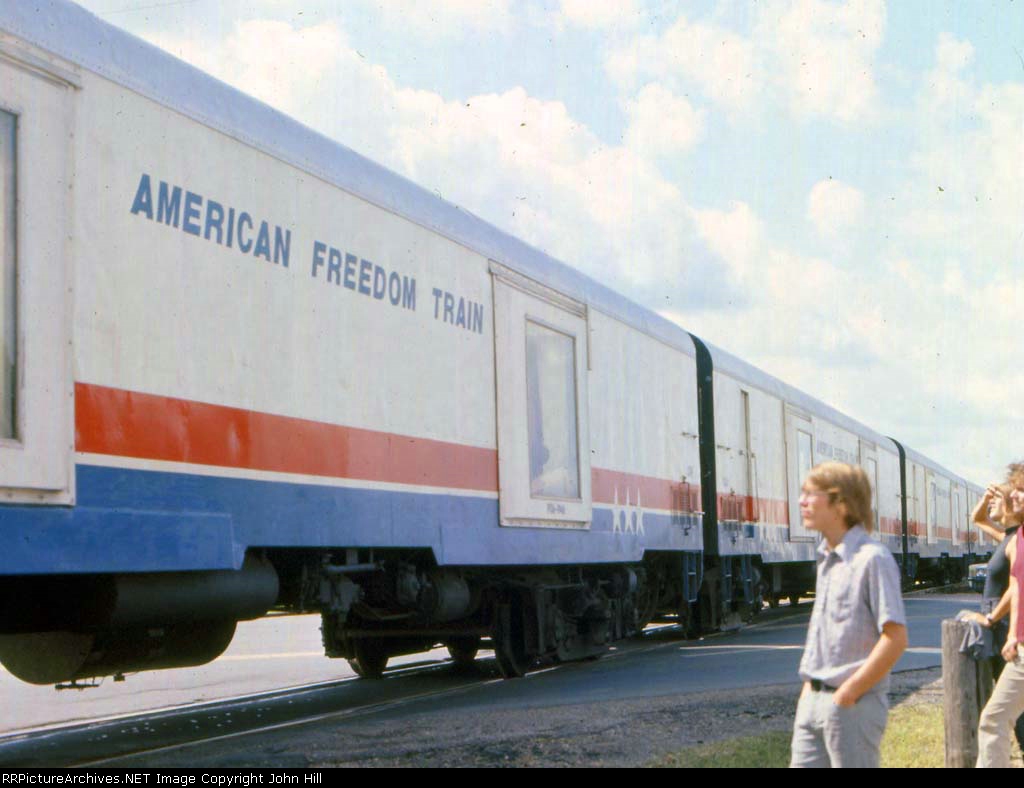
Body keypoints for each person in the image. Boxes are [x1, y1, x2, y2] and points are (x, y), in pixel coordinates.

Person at [790, 461, 908, 769]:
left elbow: (895, 638)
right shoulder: (826, 557)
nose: (801, 501)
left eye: (809, 493)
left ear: (840, 503)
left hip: (852, 705)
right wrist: (809, 690)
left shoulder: (872, 559)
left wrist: (847, 694)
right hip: (813, 701)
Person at [976, 467, 1024, 768]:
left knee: (994, 720)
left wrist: (1009, 632)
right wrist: (1013, 635)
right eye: (1014, 489)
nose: (1016, 494)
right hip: (1017, 640)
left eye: (1020, 489)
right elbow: (1017, 586)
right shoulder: (1018, 537)